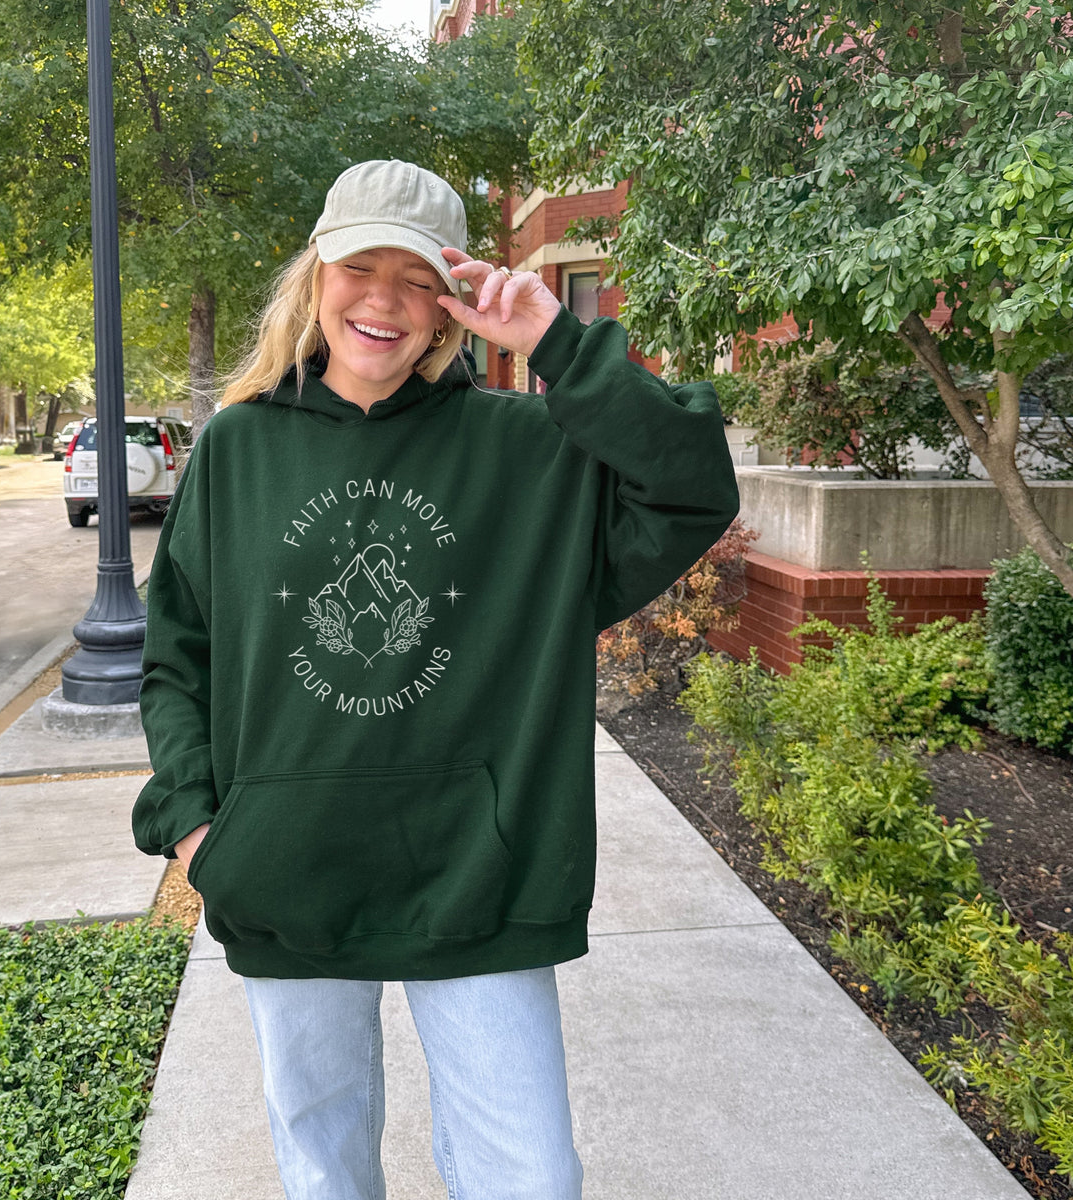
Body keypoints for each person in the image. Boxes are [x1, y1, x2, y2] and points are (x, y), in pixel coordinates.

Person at [132, 159, 740, 1200]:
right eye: (358, 268)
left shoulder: (531, 452)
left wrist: (555, 343)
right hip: (285, 872)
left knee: (532, 1179)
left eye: (418, 279)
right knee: (323, 1171)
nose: (384, 300)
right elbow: (176, 654)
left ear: (454, 301)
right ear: (315, 278)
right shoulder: (236, 448)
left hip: (478, 877)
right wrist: (198, 830)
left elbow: (692, 487)